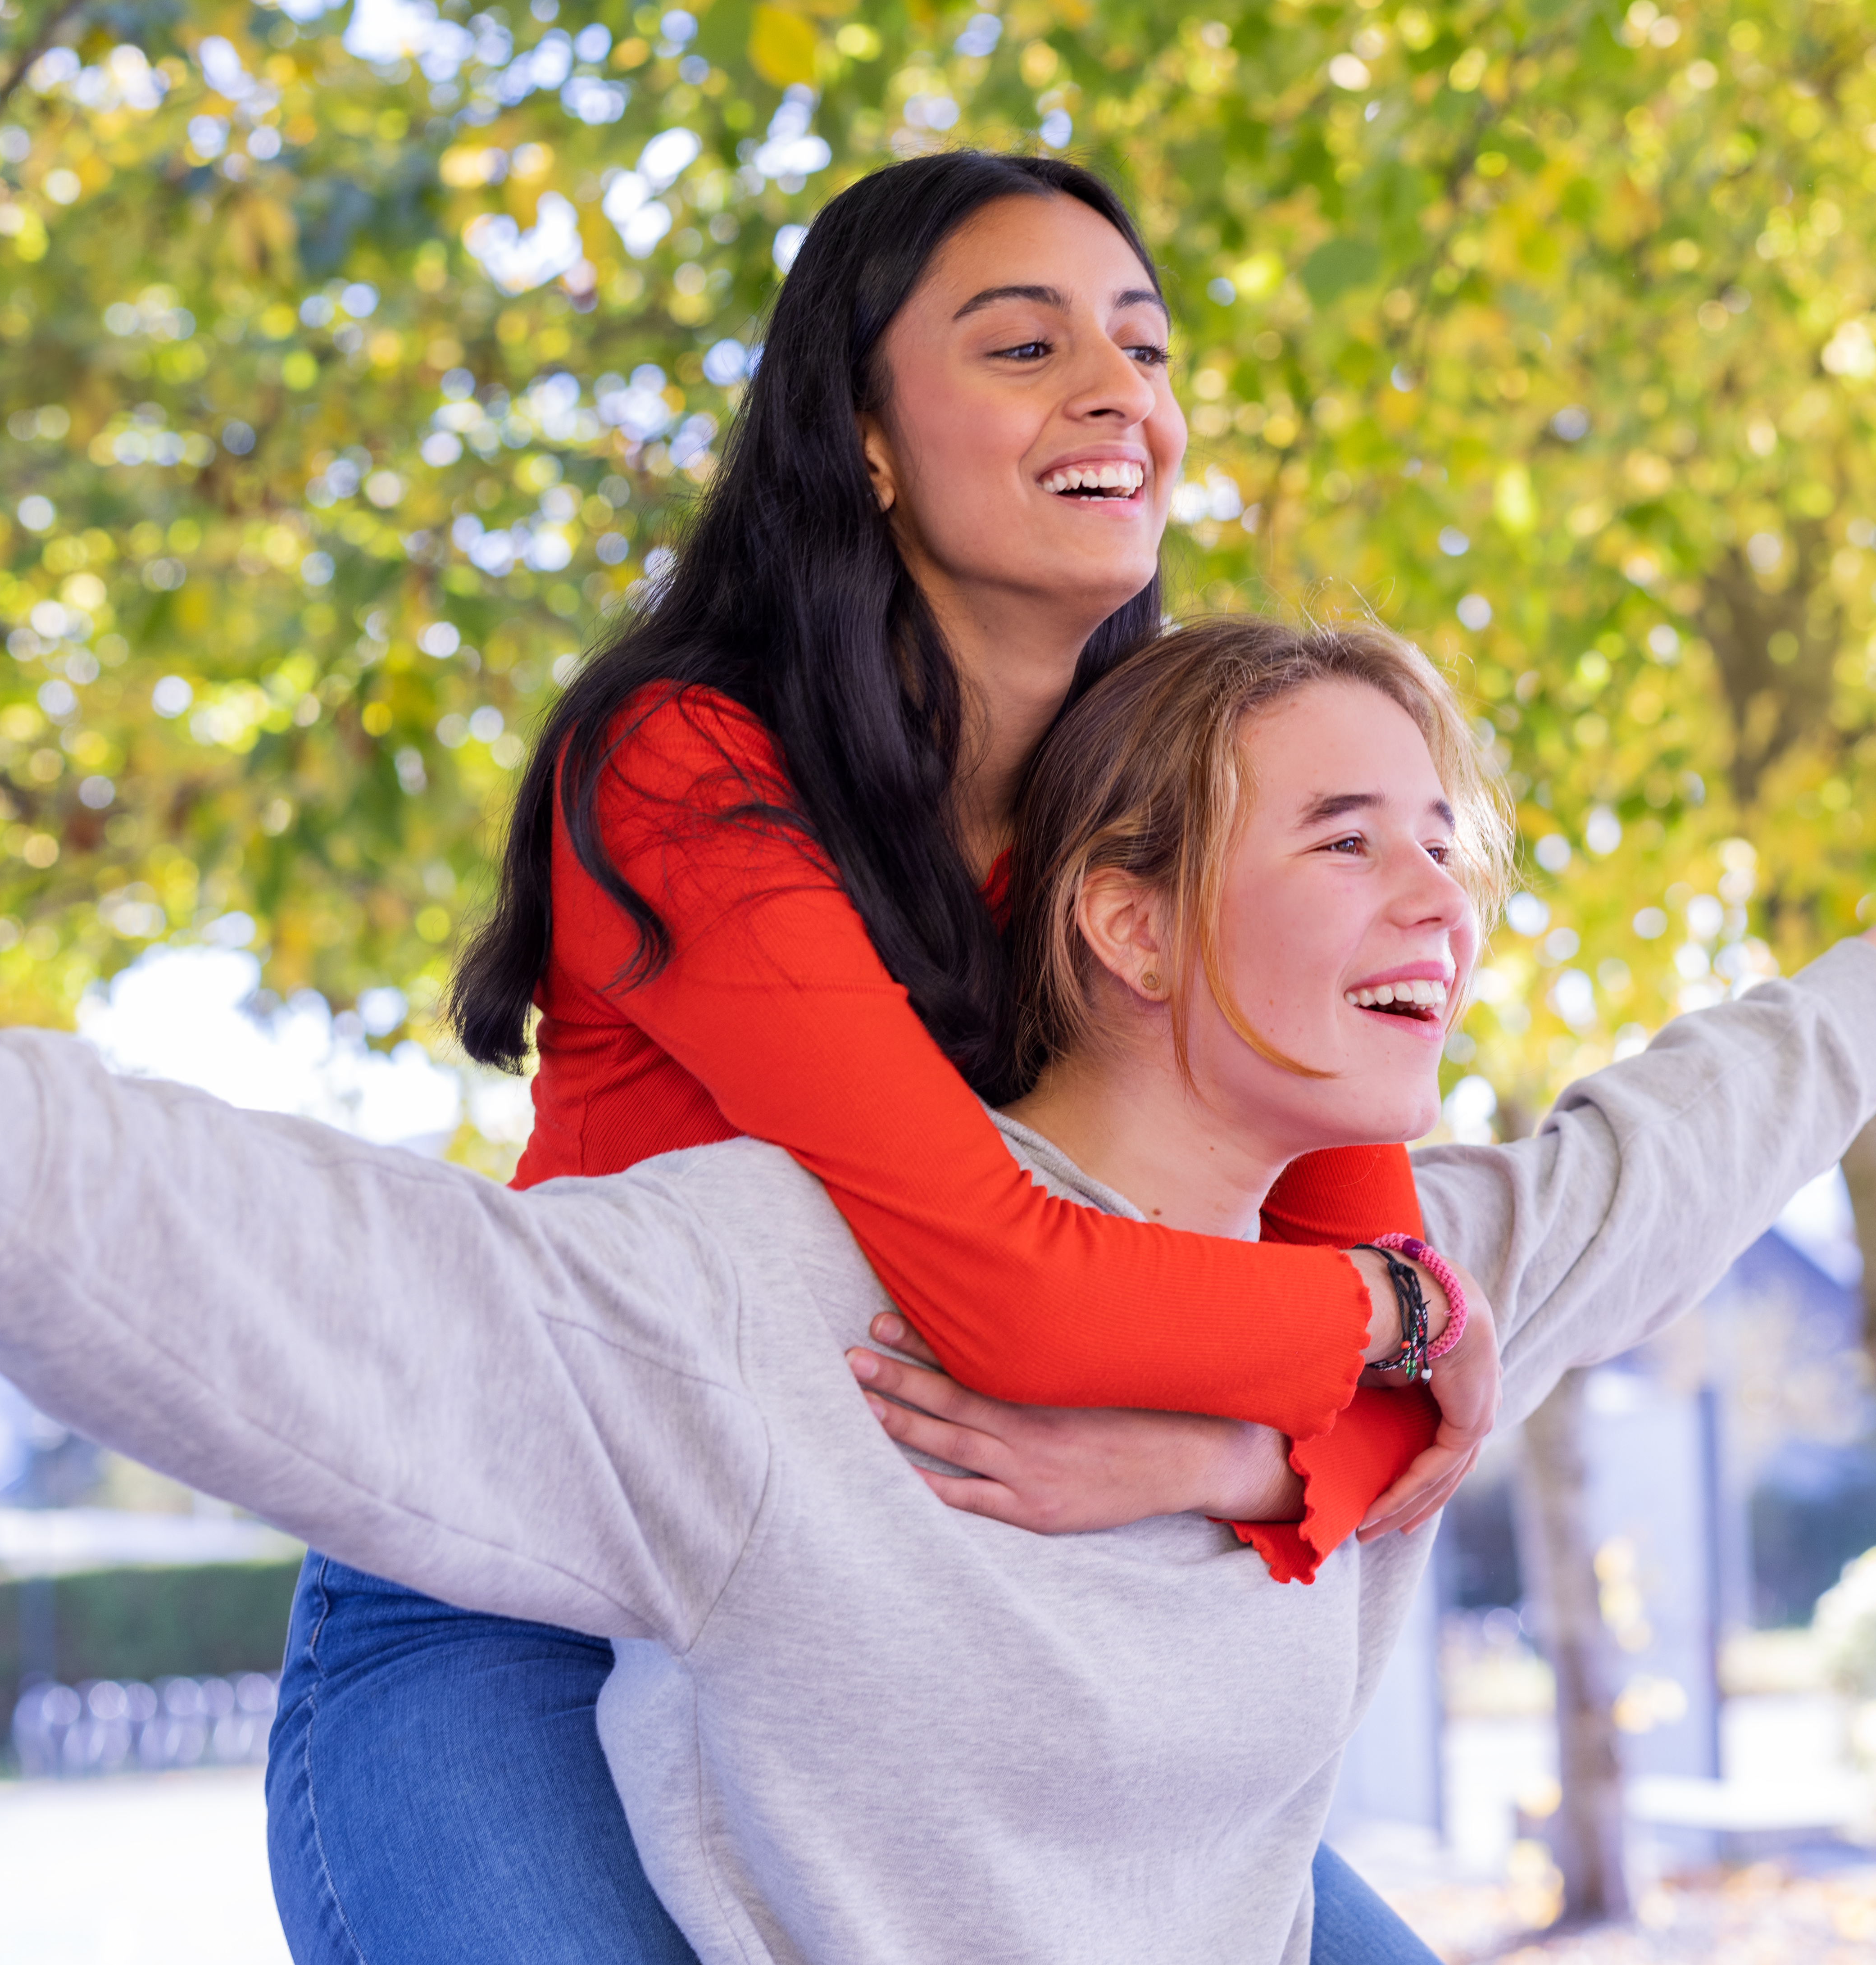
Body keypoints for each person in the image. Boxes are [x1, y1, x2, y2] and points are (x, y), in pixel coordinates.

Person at [0, 611, 1876, 1963]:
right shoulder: (785, 1293)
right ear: (1118, 913)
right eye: (1348, 835)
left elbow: (1673, 1142)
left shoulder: (1412, 1267)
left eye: (1456, 844)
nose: (1444, 899)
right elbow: (339, 1286)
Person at [277, 150, 1500, 1964]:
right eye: (1024, 347)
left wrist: (1219, 1456)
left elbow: (1362, 1383)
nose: (1116, 392)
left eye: (1146, 350)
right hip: (518, 1585)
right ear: (861, 436)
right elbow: (1041, 1297)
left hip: (916, 1621)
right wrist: (1410, 1332)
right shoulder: (682, 765)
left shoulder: (1169, 819)